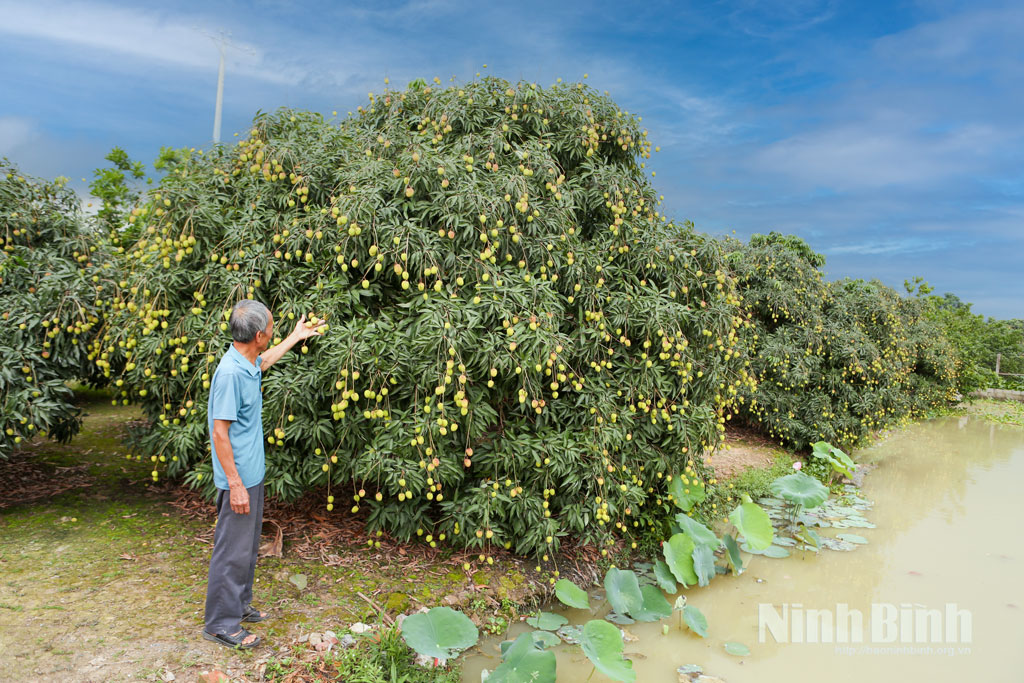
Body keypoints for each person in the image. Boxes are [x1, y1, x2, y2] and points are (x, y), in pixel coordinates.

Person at [202, 299, 323, 649]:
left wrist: (295, 337)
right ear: (258, 335)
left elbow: (265, 361)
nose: (273, 334)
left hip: (251, 475)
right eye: (271, 330)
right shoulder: (229, 374)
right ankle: (220, 624)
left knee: (247, 548)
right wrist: (236, 485)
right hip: (238, 480)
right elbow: (219, 432)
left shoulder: (248, 361)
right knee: (231, 550)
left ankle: (238, 605)